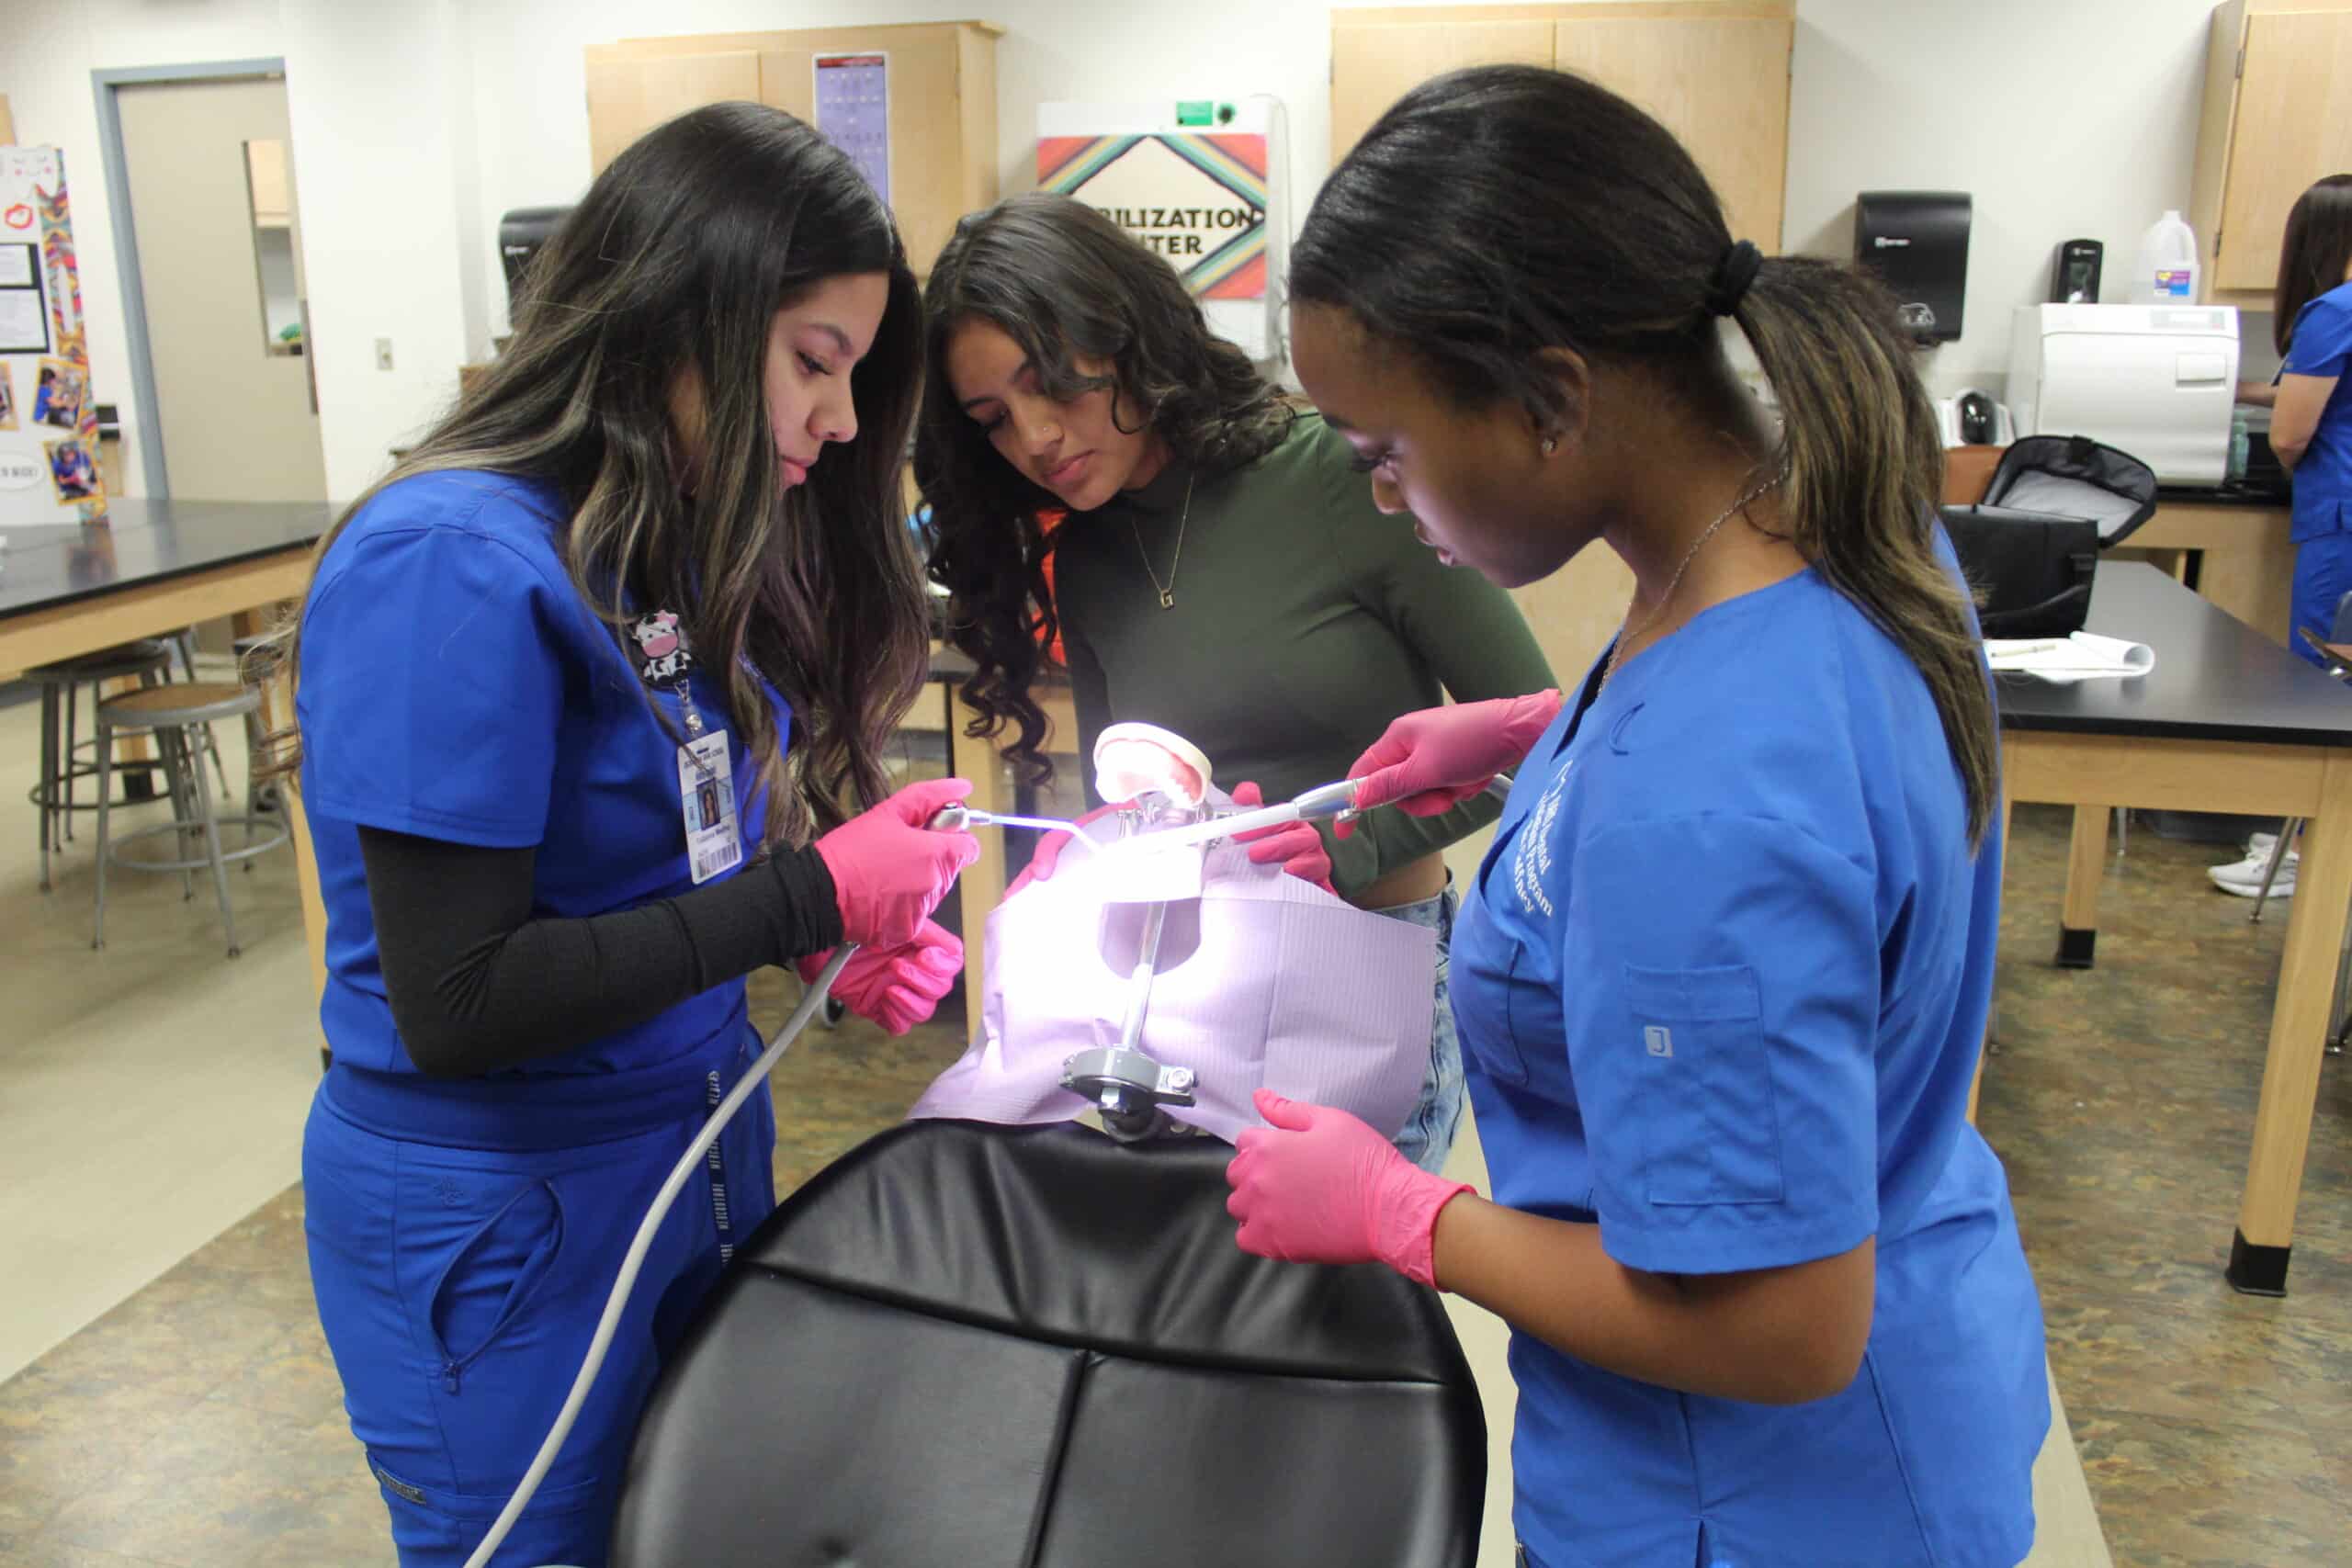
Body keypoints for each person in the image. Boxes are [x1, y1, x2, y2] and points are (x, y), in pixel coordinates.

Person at [1220, 66, 2049, 1567]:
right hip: (1914, 1414)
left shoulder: (1701, 815)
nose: (1389, 500)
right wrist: (1550, 732)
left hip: (1744, 1500)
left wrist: (1403, 1213)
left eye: (1384, 454)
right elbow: (1819, 785)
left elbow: (1785, 1326)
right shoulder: (1833, 529)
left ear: (1549, 398)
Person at [280, 104, 979, 1566]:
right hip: (503, 1205)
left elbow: (668, 854)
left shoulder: (647, 541)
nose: (840, 423)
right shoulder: (449, 563)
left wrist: (816, 939)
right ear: (682, 316)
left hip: (686, 1140)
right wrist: (813, 891)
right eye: (812, 364)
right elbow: (461, 997)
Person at [918, 193, 1554, 1172]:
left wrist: (1344, 843)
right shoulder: (1086, 555)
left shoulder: (1340, 484)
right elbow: (1130, 797)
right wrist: (1087, 852)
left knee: (1338, 1313)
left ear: (1127, 339)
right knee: (1202, 1304)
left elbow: (1546, 744)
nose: (1037, 437)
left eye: (1055, 384)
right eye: (994, 419)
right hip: (1185, 994)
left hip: (1364, 978)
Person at [2208, 174, 2352, 899]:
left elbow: (2294, 431)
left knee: (2320, 679)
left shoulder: (2335, 308)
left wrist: (2292, 444)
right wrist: (2246, 389)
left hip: (2342, 514)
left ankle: (2296, 853)